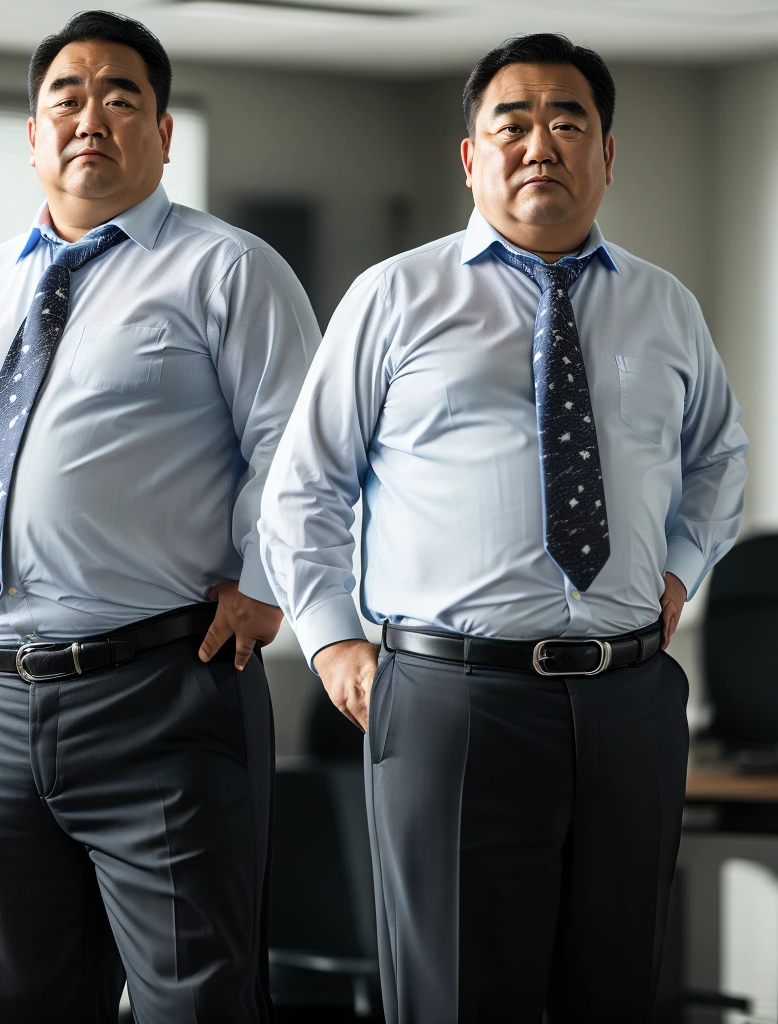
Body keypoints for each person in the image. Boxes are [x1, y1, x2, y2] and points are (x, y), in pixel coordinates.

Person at [259, 32, 748, 1023]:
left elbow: (719, 461)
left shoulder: (666, 308)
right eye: (511, 123)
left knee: (612, 993)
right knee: (454, 997)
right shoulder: (394, 297)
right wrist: (332, 640)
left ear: (607, 154)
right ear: (470, 155)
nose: (539, 143)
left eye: (567, 121)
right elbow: (303, 488)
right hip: (453, 700)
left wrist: (683, 567)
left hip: (627, 703)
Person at [0, 11, 319, 1022]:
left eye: (121, 95)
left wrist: (265, 590)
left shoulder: (229, 269)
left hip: (163, 694)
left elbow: (298, 452)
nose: (92, 116)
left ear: (163, 133)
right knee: (19, 1002)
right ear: (31, 136)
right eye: (66, 98)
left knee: (196, 1004)